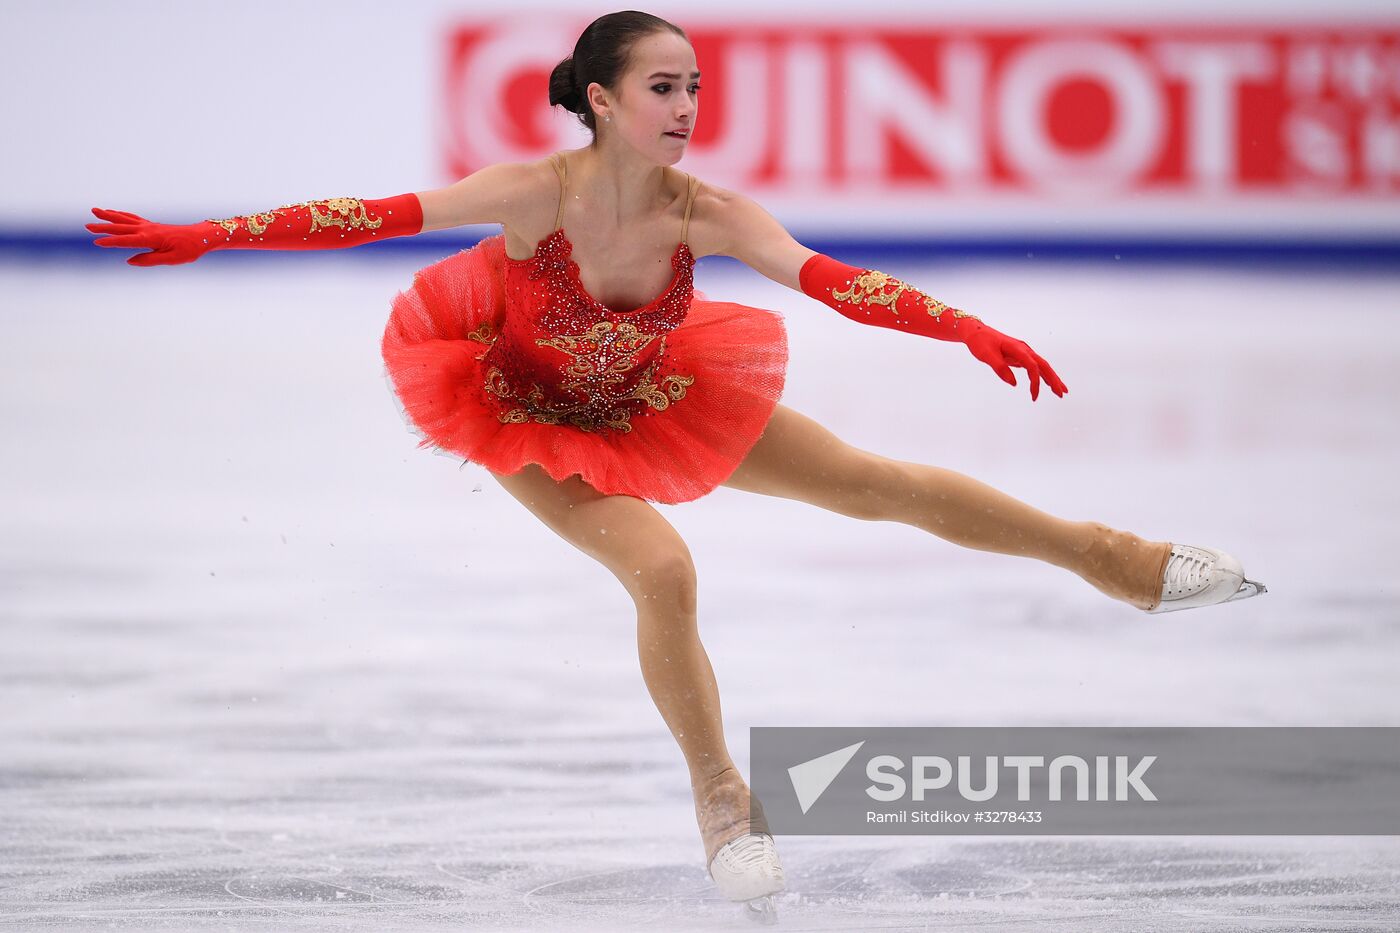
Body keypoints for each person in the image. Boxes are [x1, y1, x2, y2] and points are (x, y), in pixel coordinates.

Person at [86, 10, 1264, 917]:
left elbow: (828, 277)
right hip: (529, 413)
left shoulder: (705, 210)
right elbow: (368, 215)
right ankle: (719, 796)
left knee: (878, 483)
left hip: (653, 394)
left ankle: (1113, 558)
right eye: (664, 86)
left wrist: (958, 323)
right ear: (598, 101)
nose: (687, 104)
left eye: (695, 86)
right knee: (663, 570)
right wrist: (216, 233)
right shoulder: (525, 197)